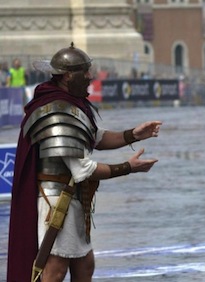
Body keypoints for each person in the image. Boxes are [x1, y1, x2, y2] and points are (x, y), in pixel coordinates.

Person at [6, 43, 162, 282]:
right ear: (68, 76)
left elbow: (95, 137)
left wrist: (134, 134)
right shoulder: (57, 113)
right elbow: (83, 169)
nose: (90, 77)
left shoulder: (70, 105)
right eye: (85, 72)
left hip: (71, 200)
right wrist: (128, 167)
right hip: (56, 203)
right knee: (55, 270)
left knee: (85, 265)